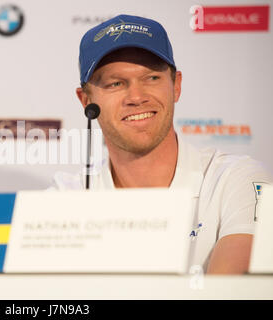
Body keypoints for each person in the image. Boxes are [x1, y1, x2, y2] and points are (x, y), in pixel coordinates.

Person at [51, 14, 272, 274]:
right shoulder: (64, 199)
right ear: (86, 100)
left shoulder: (234, 179)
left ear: (176, 85)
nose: (136, 97)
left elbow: (229, 291)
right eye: (115, 83)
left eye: (151, 78)